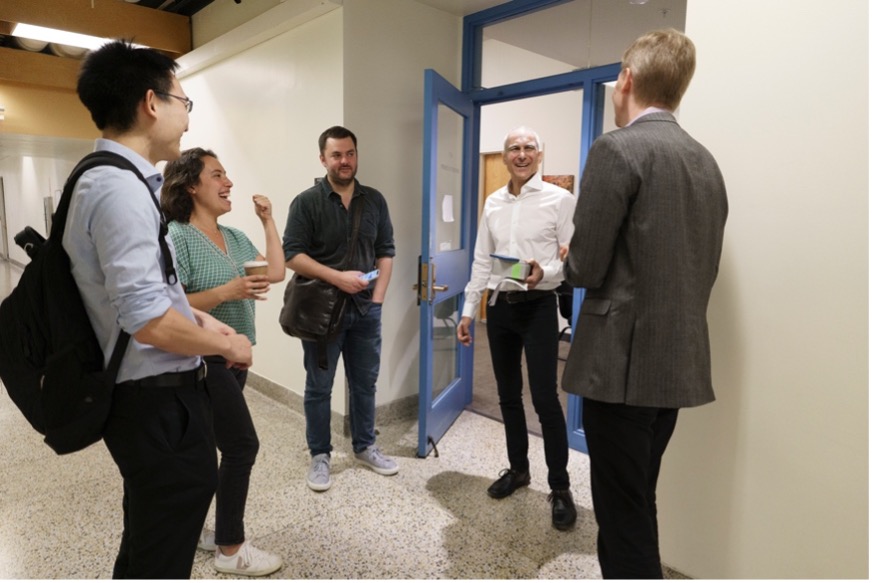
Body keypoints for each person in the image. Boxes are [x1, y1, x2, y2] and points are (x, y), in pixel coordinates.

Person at [68, 41, 253, 578]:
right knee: (162, 555)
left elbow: (153, 295)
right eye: (184, 103)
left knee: (151, 535)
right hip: (155, 406)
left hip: (155, 400)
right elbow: (147, 320)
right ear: (152, 103)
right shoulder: (118, 190)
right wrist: (228, 343)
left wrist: (202, 319)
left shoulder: (119, 181)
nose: (186, 119)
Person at [561, 29, 728, 578]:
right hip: (676, 365)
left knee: (621, 511)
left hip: (621, 369)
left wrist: (572, 249)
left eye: (615, 78)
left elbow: (584, 266)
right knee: (639, 497)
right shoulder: (706, 162)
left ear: (627, 79)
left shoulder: (617, 148)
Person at [162, 148, 285, 577]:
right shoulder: (176, 236)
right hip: (203, 359)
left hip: (236, 361)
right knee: (241, 446)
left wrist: (268, 221)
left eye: (227, 174)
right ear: (192, 185)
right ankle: (231, 548)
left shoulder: (232, 237)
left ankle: (207, 531)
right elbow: (170, 306)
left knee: (214, 448)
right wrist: (225, 293)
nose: (228, 181)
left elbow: (274, 272)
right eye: (217, 175)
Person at [456, 126, 578, 531]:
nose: (521, 154)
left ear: (540, 155)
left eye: (529, 148)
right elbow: (481, 260)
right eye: (514, 148)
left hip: (540, 306)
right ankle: (519, 469)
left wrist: (547, 272)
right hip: (501, 307)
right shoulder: (493, 202)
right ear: (505, 156)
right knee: (509, 396)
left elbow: (572, 261)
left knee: (545, 400)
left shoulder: (560, 200)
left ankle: (560, 488)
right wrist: (469, 311)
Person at [283, 125, 397, 492]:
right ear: (323, 159)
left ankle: (365, 446)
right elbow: (292, 256)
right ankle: (320, 454)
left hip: (366, 313)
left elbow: (387, 252)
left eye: (349, 154)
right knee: (319, 387)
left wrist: (377, 300)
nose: (344, 161)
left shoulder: (374, 200)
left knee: (365, 383)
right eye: (336, 155)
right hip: (322, 314)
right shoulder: (306, 202)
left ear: (356, 155)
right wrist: (337, 278)